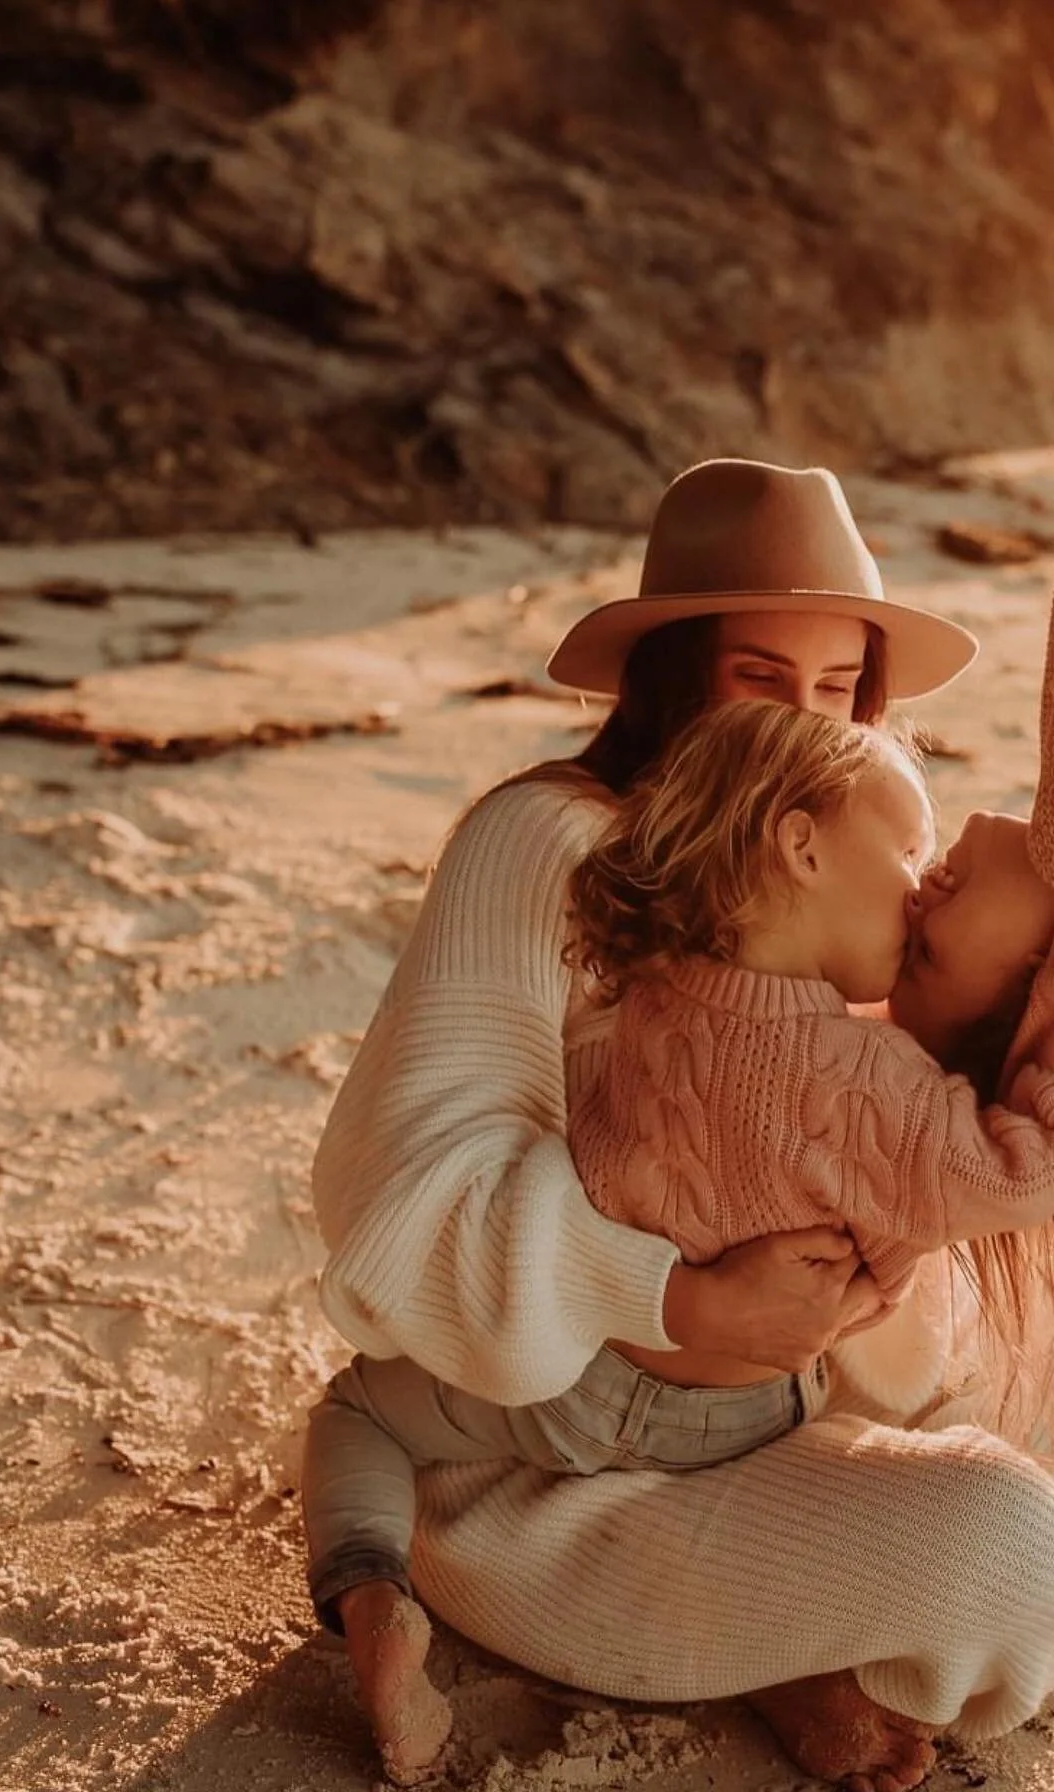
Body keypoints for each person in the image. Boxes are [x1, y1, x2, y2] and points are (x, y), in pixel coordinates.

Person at [307, 460, 1054, 1792]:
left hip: (784, 1426)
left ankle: (793, 1635)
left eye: (840, 692)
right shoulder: (549, 843)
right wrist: (674, 1298)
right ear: (668, 673)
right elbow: (403, 1201)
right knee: (1012, 1554)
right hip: (547, 1466)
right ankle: (768, 1648)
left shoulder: (846, 864)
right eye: (760, 679)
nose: (808, 721)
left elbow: (896, 1152)